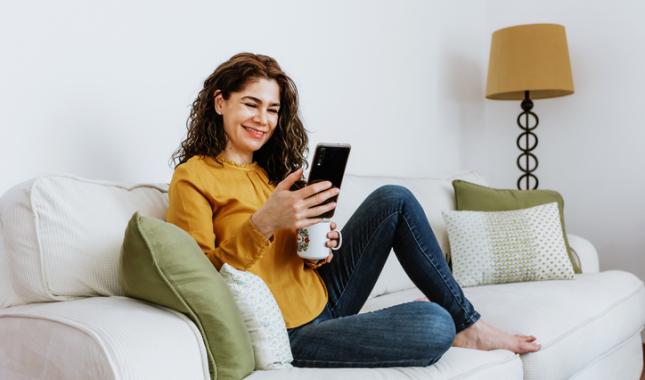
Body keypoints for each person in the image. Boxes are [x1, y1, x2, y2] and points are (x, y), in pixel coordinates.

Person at [166, 52, 541, 368]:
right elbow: (201, 282)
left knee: (394, 199)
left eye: (272, 109)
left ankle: (470, 324)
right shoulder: (193, 177)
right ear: (220, 102)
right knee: (434, 325)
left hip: (327, 296)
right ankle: (449, 323)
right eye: (251, 104)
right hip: (292, 333)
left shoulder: (271, 173)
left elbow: (290, 263)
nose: (262, 119)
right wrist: (262, 224)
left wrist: (320, 249)